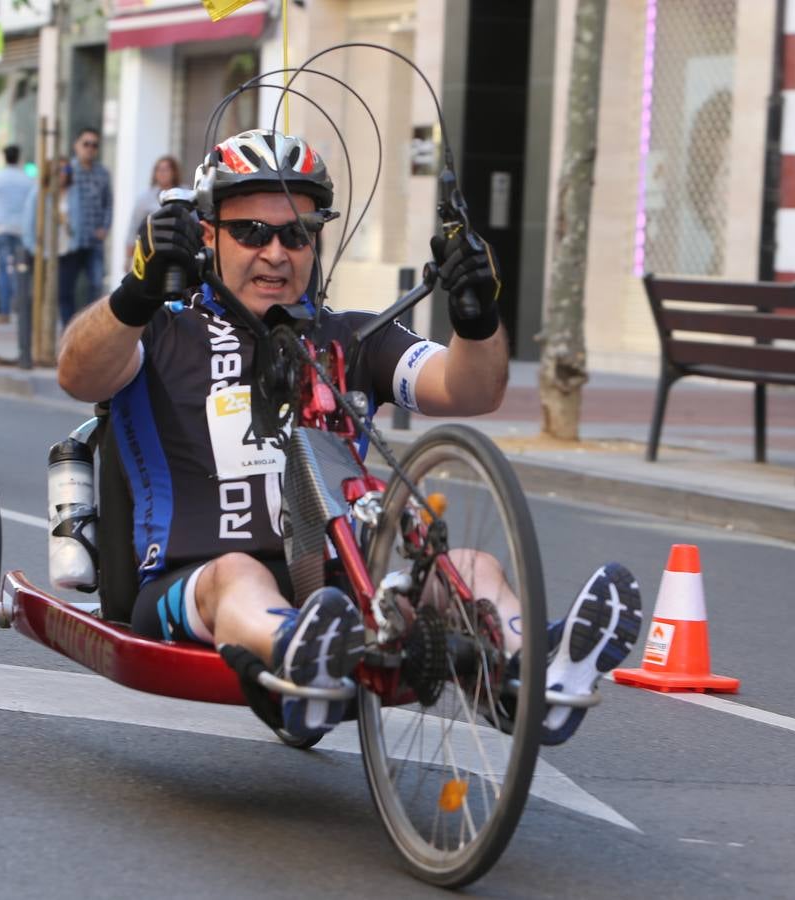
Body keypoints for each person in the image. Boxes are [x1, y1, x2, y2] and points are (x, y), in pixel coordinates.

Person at [57, 129, 642, 743]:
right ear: (208, 234)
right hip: (194, 588)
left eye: (298, 233)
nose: (277, 253)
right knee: (238, 574)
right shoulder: (161, 332)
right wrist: (137, 291)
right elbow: (77, 371)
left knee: (470, 566)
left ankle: (538, 671)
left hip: (342, 589)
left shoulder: (352, 337)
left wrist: (478, 314)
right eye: (252, 232)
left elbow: (470, 390)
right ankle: (298, 651)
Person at [57, 127, 112, 329]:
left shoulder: (103, 173)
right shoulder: (68, 170)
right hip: (71, 241)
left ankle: (90, 331)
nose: (90, 148)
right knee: (66, 290)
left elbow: (108, 204)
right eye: (86, 144)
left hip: (94, 241)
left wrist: (105, 228)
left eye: (94, 145)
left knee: (96, 287)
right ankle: (68, 330)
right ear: (76, 146)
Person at [0, 144, 32, 326]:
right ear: (18, 157)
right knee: (20, 270)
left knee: (3, 270)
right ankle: (20, 311)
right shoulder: (27, 179)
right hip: (21, 230)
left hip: (0, 228)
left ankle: (4, 311)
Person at [123, 155, 182, 269]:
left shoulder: (184, 194)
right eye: (159, 170)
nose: (162, 173)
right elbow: (134, 227)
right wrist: (128, 257)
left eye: (166, 169)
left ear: (174, 172)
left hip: (178, 253)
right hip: (150, 253)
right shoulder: (145, 198)